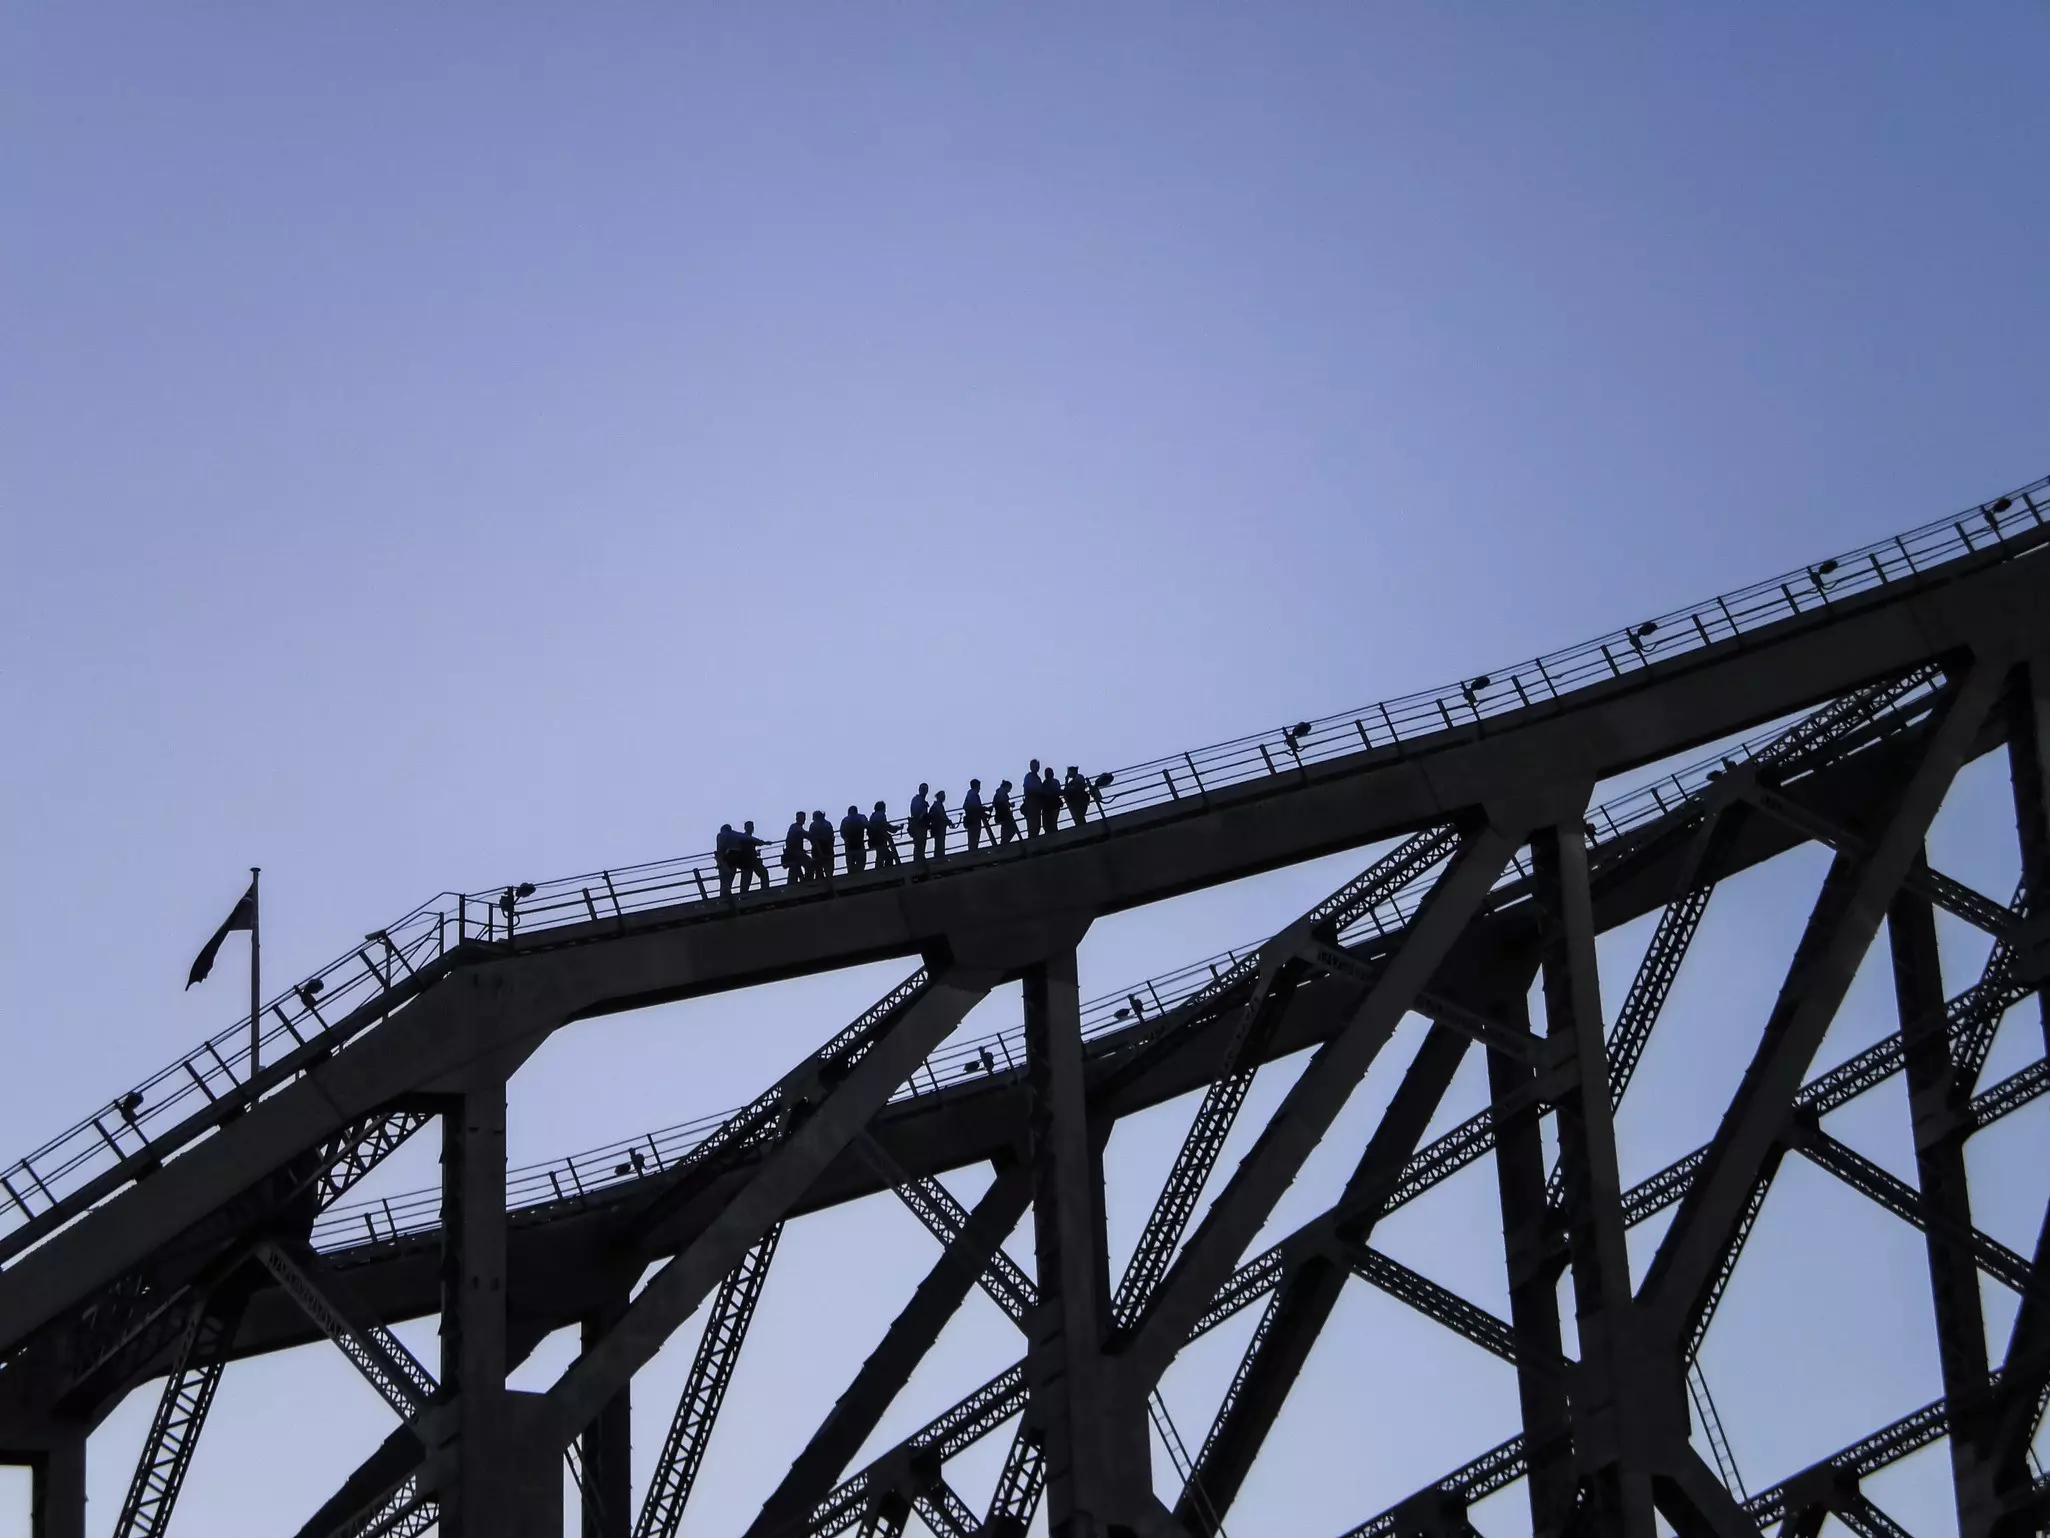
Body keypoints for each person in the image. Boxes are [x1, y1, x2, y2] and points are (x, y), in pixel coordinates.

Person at [740, 820, 772, 894]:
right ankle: (765, 890)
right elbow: (756, 841)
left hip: (748, 862)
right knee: (761, 874)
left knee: (746, 880)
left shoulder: (743, 838)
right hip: (749, 862)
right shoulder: (746, 838)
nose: (751, 829)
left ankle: (743, 896)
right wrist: (765, 843)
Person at [869, 800, 901, 866]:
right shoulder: (881, 815)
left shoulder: (872, 817)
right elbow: (888, 827)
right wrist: (898, 828)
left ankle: (879, 870)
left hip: (873, 841)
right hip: (880, 840)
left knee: (880, 856)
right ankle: (887, 872)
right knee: (888, 856)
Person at [715, 822, 741, 898]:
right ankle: (726, 894)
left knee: (723, 880)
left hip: (723, 859)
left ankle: (724, 896)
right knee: (728, 879)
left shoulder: (720, 836)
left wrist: (719, 861)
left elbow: (719, 848)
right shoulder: (732, 836)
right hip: (731, 859)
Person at [962, 778, 988, 852]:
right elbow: (975, 807)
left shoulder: (970, 794)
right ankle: (973, 852)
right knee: (974, 838)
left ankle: (973, 851)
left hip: (973, 820)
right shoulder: (973, 794)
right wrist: (984, 809)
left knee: (973, 838)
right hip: (974, 820)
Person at [783, 812, 809, 886]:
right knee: (809, 864)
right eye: (800, 818)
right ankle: (807, 882)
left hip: (794, 853)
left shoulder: (796, 827)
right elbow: (804, 834)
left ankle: (798, 883)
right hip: (794, 854)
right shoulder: (795, 827)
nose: (802, 820)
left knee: (794, 871)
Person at [841, 804, 868, 874]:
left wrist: (845, 839)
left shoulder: (845, 820)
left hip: (849, 843)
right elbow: (868, 825)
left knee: (850, 862)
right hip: (859, 841)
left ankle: (851, 876)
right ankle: (860, 875)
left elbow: (842, 832)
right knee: (861, 861)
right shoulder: (861, 817)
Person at [908, 782, 932, 864]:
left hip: (922, 826)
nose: (924, 791)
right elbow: (916, 813)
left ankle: (919, 862)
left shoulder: (920, 800)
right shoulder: (917, 800)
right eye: (923, 789)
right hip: (918, 826)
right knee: (919, 845)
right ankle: (918, 863)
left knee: (921, 845)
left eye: (925, 789)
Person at [808, 810, 835, 880]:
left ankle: (820, 879)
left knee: (818, 868)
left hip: (817, 848)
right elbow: (832, 836)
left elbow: (811, 837)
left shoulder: (813, 825)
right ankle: (829, 878)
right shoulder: (828, 824)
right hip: (828, 848)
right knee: (829, 867)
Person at [1023, 758, 1045, 837]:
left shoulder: (1037, 778)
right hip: (1031, 801)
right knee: (1033, 822)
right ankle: (1032, 838)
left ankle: (1034, 837)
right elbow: (1028, 789)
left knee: (1037, 822)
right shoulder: (1029, 777)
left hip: (1037, 802)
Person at [992, 779, 1018, 844]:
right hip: (1005, 815)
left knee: (1005, 829)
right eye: (1009, 788)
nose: (1009, 790)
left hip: (1001, 815)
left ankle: (1004, 842)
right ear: (1006, 786)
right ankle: (1005, 842)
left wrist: (1009, 805)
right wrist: (1010, 805)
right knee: (1012, 828)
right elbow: (1003, 802)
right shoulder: (1002, 793)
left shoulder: (998, 793)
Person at [929, 789, 952, 861]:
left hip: (939, 827)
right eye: (943, 796)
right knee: (939, 842)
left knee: (939, 842)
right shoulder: (937, 805)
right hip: (939, 827)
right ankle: (939, 857)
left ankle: (939, 856)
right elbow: (942, 815)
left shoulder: (937, 805)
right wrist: (948, 821)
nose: (944, 797)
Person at [1040, 764, 1064, 834]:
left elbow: (1056, 791)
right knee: (1048, 824)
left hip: (1052, 804)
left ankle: (1053, 838)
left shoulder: (1052, 782)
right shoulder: (1046, 783)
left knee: (1051, 823)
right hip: (1049, 805)